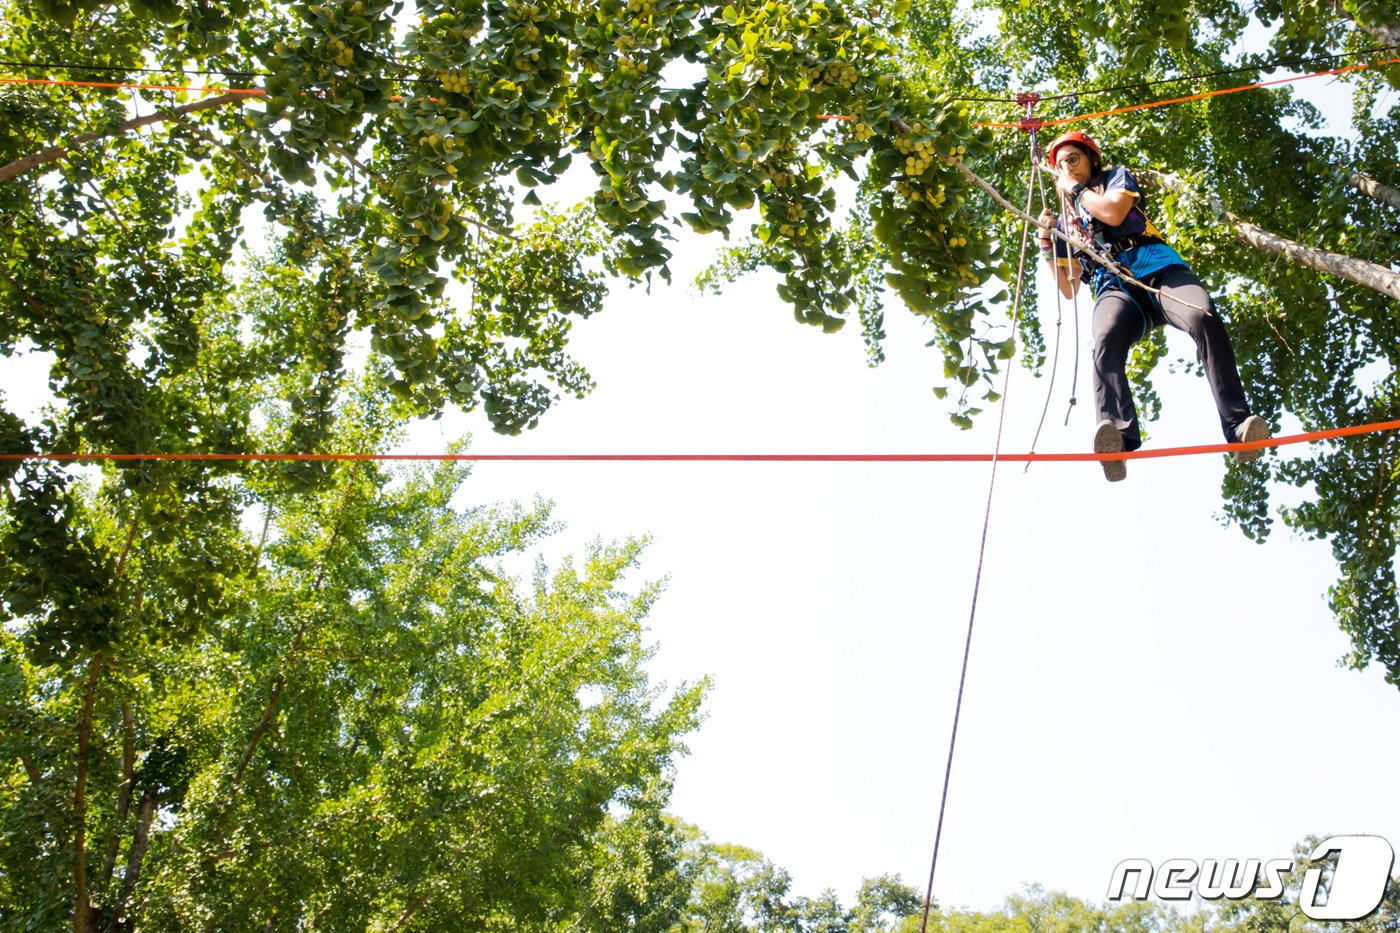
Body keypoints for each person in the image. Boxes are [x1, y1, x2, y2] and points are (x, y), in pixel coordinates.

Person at [1036, 130, 1269, 483]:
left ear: (1090, 160)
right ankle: (1117, 438)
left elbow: (1114, 214)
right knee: (1106, 341)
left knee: (1202, 316)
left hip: (1157, 268)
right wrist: (1046, 244)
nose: (1068, 166)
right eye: (1062, 164)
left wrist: (1076, 190)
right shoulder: (1068, 224)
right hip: (1115, 286)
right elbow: (1069, 288)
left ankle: (1239, 427)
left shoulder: (1114, 178)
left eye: (1074, 159)